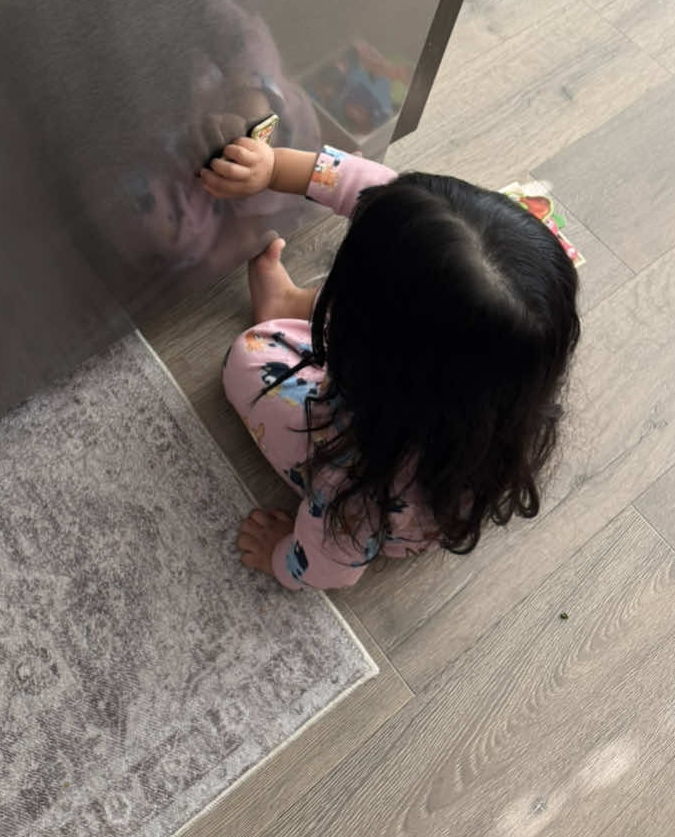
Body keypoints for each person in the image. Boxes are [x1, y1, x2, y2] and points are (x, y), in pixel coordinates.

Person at [200, 141, 581, 591]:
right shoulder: (516, 360)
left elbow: (331, 567)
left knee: (247, 357)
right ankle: (301, 306)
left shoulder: (351, 485)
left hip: (380, 483)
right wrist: (275, 166)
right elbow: (376, 190)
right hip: (436, 437)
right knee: (400, 304)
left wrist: (281, 556)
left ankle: (283, 311)